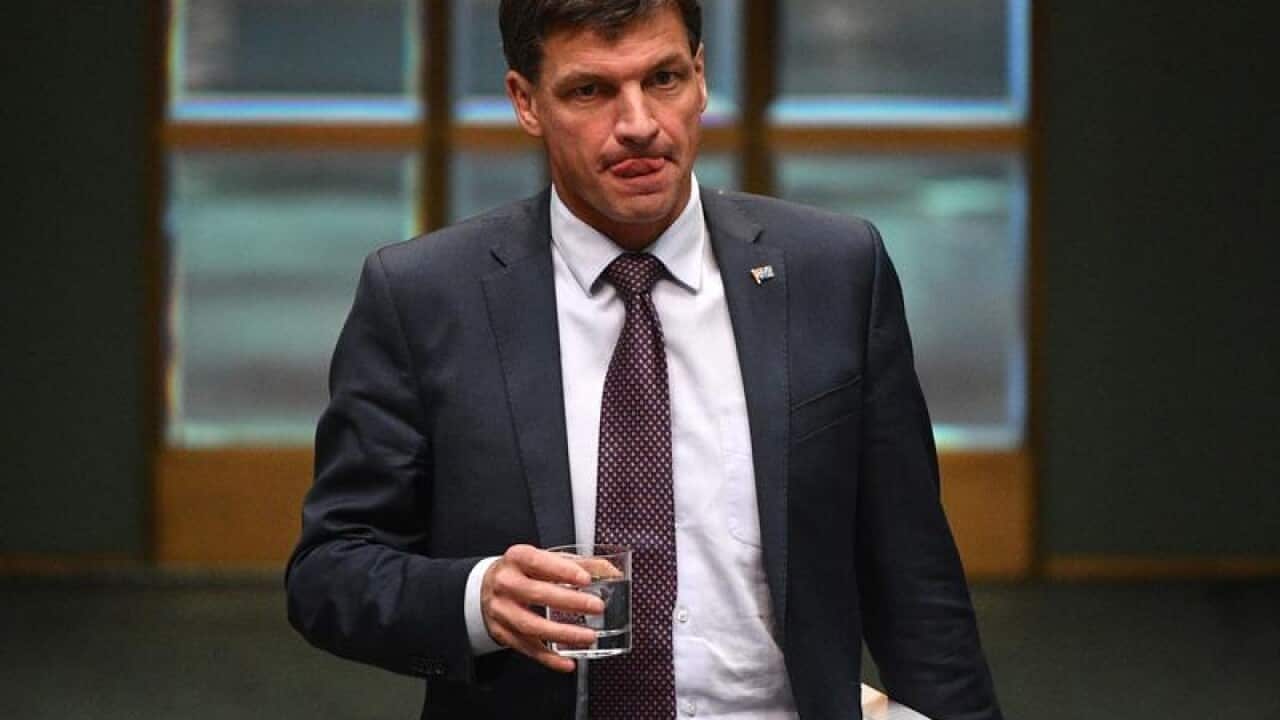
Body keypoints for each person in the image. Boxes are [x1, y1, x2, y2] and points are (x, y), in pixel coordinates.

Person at [286, 1, 1003, 718]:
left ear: (699, 78)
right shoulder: (424, 297)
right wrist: (480, 599)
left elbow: (916, 582)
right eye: (590, 91)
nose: (637, 123)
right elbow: (331, 571)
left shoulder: (835, 271)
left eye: (662, 78)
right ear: (525, 102)